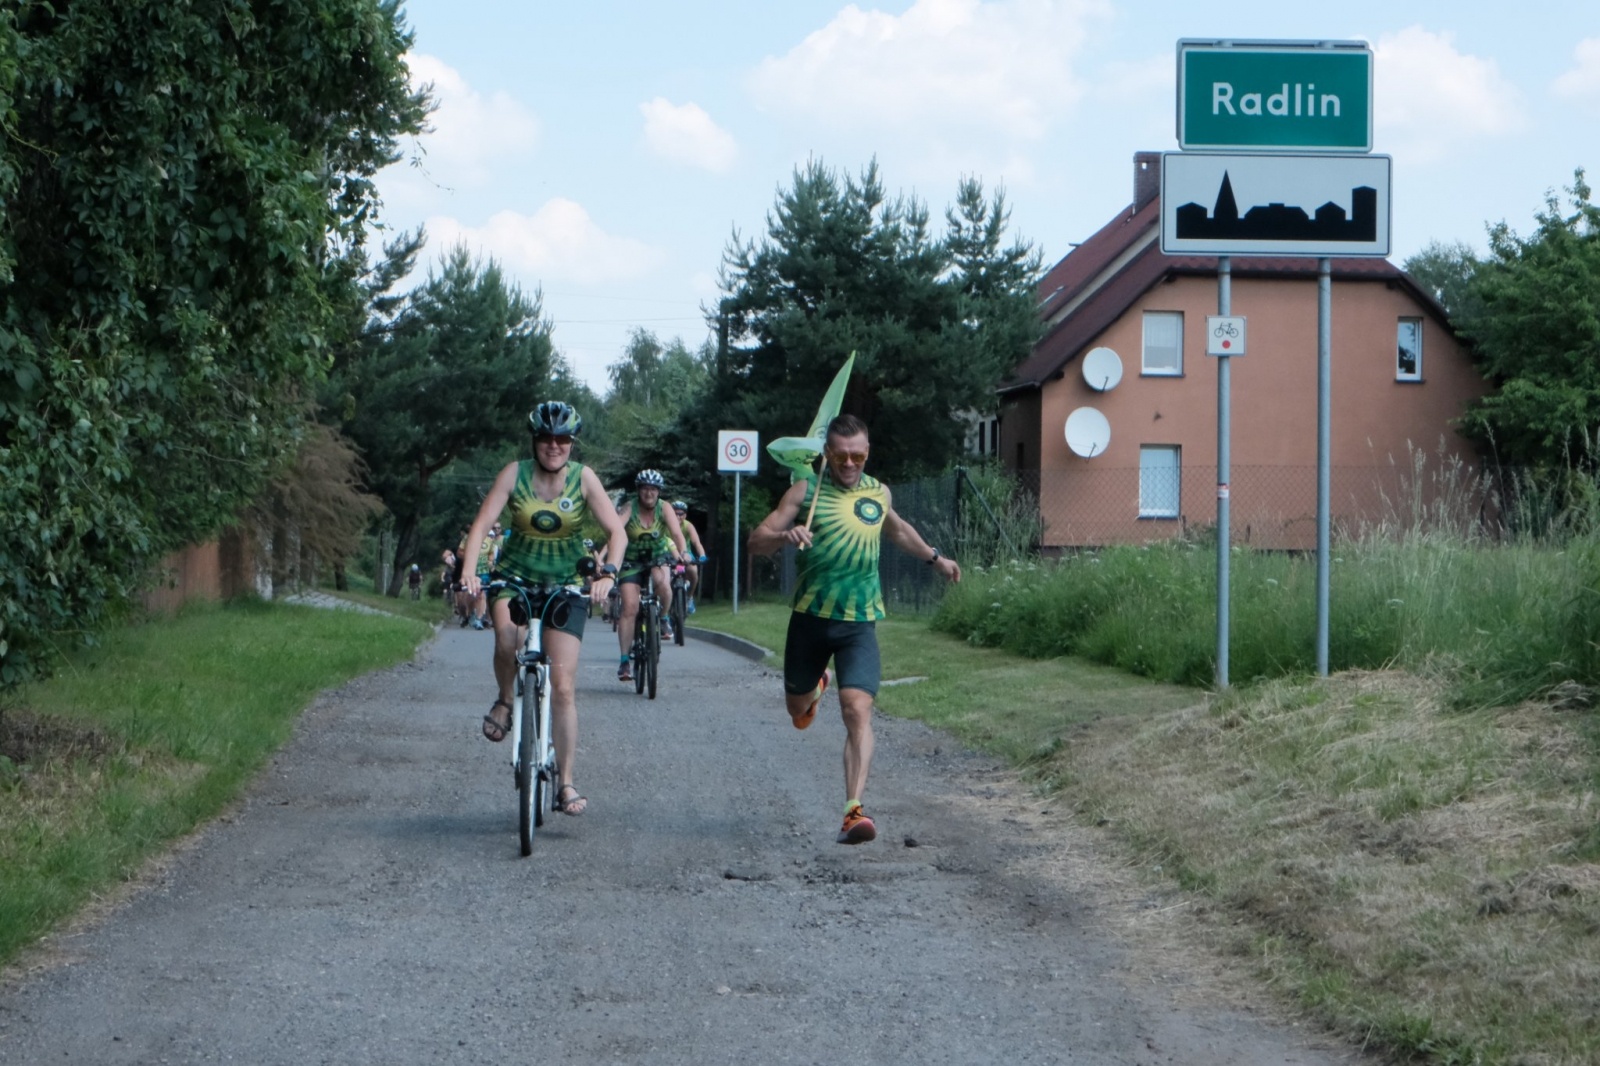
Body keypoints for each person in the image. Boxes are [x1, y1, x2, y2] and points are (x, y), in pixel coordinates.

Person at [748, 414, 961, 845]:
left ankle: (853, 810)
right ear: (827, 454)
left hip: (860, 622)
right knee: (797, 712)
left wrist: (936, 559)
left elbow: (899, 531)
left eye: (858, 455)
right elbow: (756, 540)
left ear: (867, 453)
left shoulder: (878, 492)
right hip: (810, 620)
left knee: (856, 710)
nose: (849, 463)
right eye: (841, 455)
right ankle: (815, 687)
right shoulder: (805, 490)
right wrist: (786, 536)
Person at [459, 401, 626, 817]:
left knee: (564, 686)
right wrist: (469, 572)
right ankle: (505, 699)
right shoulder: (513, 475)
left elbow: (617, 532)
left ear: (571, 443)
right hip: (514, 580)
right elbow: (481, 526)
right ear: (535, 441)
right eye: (547, 439)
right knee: (506, 638)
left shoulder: (583, 478)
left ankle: (565, 783)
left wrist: (607, 573)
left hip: (566, 586)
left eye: (562, 440)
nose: (554, 446)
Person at [614, 469, 688, 680]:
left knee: (663, 584)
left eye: (653, 489)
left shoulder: (665, 508)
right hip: (632, 560)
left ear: (658, 492)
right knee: (629, 607)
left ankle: (663, 618)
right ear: (638, 490)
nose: (649, 493)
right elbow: (617, 529)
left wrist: (683, 552)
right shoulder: (630, 507)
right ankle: (624, 661)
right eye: (645, 488)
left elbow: (676, 533)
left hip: (657, 557)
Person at [670, 501, 708, 613]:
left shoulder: (688, 526)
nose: (678, 516)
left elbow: (696, 542)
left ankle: (689, 597)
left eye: (680, 514)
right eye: (675, 513)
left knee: (693, 571)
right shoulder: (666, 524)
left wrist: (702, 555)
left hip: (685, 554)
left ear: (685, 515)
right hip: (669, 554)